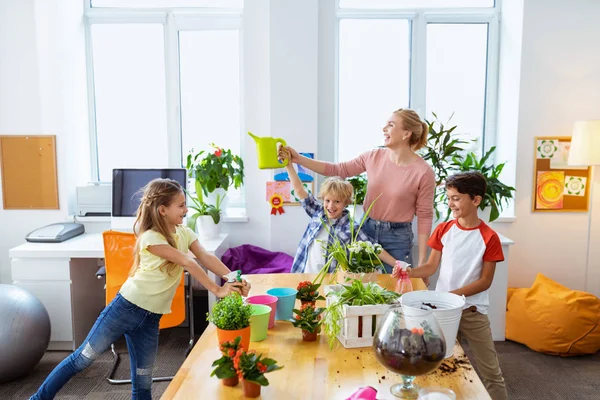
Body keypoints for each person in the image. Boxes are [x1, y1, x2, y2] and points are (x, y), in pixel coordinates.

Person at [30, 178, 250, 400]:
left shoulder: (184, 232)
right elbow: (188, 262)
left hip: (150, 319)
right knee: (82, 359)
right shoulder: (150, 237)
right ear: (162, 209)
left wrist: (234, 279)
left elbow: (205, 256)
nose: (186, 209)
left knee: (143, 380)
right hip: (124, 309)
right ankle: (38, 398)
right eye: (181, 205)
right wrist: (218, 289)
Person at [393, 171, 508, 400]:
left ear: (475, 200)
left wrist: (450, 297)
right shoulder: (444, 229)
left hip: (472, 313)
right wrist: (409, 270)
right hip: (441, 312)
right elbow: (430, 267)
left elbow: (485, 281)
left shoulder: (489, 237)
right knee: (434, 364)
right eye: (448, 198)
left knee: (491, 373)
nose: (450, 203)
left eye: (456, 198)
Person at [279, 108, 435, 273]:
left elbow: (425, 215)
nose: (384, 128)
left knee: (396, 290)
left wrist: (422, 265)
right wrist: (298, 159)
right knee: (363, 290)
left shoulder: (423, 172)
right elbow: (338, 169)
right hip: (366, 228)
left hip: (396, 238)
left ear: (406, 134)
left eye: (391, 124)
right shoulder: (373, 156)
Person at [280, 148, 398, 273]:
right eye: (327, 201)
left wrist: (396, 264)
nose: (331, 206)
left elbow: (373, 247)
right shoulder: (317, 212)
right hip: (305, 273)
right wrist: (288, 165)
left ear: (346, 203)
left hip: (330, 279)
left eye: (337, 202)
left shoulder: (351, 228)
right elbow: (299, 190)